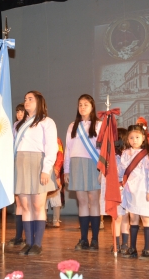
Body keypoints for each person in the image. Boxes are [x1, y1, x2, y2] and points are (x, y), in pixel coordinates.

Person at [14, 91, 58, 256]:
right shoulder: (18, 124)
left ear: (39, 102)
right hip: (21, 164)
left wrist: (46, 169)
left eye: (30, 99)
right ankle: (29, 242)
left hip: (38, 164)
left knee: (37, 205)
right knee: (25, 206)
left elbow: (51, 147)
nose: (26, 102)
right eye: (25, 99)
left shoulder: (46, 122)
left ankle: (37, 244)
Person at [64, 94, 101, 251]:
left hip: (93, 164)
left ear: (92, 107)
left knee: (93, 200)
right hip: (76, 164)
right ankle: (84, 239)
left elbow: (103, 149)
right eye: (80, 104)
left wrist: (102, 169)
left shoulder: (99, 125)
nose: (83, 107)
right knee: (82, 201)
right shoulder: (73, 126)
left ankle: (95, 240)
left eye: (86, 104)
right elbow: (68, 149)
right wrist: (66, 169)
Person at [120, 125, 149, 259]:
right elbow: (122, 171)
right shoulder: (125, 154)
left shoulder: (148, 154)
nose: (134, 140)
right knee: (133, 219)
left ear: (143, 138)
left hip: (144, 190)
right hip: (131, 191)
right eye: (131, 137)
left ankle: (147, 248)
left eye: (137, 137)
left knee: (145, 219)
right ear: (127, 139)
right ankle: (133, 247)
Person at [99, 127, 130, 254]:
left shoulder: (128, 156)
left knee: (125, 218)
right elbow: (100, 178)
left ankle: (125, 244)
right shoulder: (109, 158)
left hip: (126, 190)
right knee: (116, 218)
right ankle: (116, 243)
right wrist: (105, 169)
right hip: (115, 191)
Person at [8, 104, 27, 246]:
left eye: (22, 111)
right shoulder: (14, 125)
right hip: (15, 164)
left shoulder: (30, 125)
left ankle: (30, 236)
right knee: (18, 202)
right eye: (17, 112)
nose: (19, 114)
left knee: (27, 202)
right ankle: (18, 235)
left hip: (26, 163)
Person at [46, 137, 64, 227]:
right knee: (43, 197)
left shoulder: (57, 140)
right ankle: (43, 220)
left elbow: (60, 155)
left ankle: (55, 220)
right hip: (43, 171)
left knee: (55, 196)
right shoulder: (40, 137)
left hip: (53, 171)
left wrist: (56, 169)